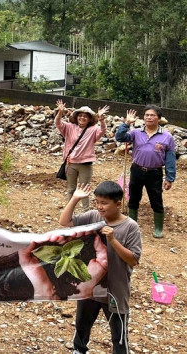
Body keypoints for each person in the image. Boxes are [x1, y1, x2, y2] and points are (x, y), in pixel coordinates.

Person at [59, 182, 141, 354]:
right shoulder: (93, 217)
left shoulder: (130, 227)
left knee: (118, 333)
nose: (99, 207)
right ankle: (79, 350)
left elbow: (133, 260)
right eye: (96, 202)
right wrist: (75, 198)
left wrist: (113, 240)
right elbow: (64, 221)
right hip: (91, 285)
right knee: (82, 325)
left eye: (104, 203)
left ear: (118, 204)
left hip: (115, 289)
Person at [115, 106, 176, 238]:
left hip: (155, 173)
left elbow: (170, 159)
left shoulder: (167, 137)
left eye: (152, 115)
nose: (148, 117)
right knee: (134, 198)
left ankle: (158, 228)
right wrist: (126, 123)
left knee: (156, 200)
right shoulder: (136, 133)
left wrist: (170, 178)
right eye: (146, 115)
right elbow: (120, 137)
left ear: (159, 118)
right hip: (137, 170)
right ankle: (132, 225)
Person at [54, 100, 109, 209]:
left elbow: (103, 130)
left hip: (85, 164)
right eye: (80, 115)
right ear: (76, 117)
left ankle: (86, 212)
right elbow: (58, 123)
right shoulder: (69, 127)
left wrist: (101, 119)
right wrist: (60, 112)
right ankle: (69, 212)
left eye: (85, 116)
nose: (82, 118)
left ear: (89, 119)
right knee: (71, 189)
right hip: (71, 163)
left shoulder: (93, 130)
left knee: (84, 189)